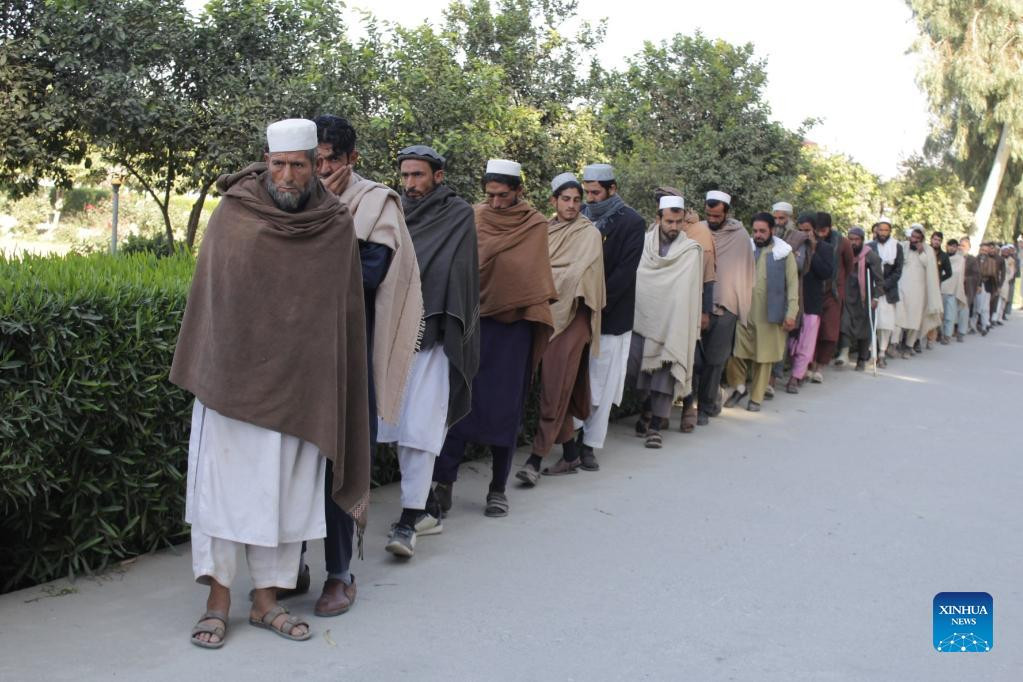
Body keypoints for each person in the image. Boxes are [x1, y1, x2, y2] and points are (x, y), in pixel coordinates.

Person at [173, 119, 370, 647]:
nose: (286, 175)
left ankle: (266, 603)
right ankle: (217, 601)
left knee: (287, 498)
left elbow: (339, 314)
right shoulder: (234, 214)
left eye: (298, 165)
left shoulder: (333, 223)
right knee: (222, 496)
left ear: (315, 165)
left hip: (300, 390)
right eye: (278, 164)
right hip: (231, 387)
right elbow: (215, 303)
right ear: (266, 159)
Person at [311, 114, 423, 615]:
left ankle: (340, 573)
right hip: (295, 360)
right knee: (291, 467)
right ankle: (287, 567)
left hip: (347, 359)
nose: (321, 168)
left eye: (330, 159)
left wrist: (309, 248)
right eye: (313, 160)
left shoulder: (375, 203)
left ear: (352, 158)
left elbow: (370, 274)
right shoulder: (288, 196)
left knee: (342, 465)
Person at [433, 159, 557, 518]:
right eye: (491, 195)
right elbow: (458, 265)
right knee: (458, 403)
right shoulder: (473, 216)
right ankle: (444, 486)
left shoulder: (534, 225)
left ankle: (497, 488)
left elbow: (531, 277)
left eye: (504, 195)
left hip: (513, 327)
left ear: (518, 191)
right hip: (473, 323)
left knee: (506, 408)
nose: (497, 203)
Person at [378, 145, 480, 558]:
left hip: (435, 335)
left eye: (418, 176)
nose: (410, 185)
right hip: (388, 335)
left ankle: (409, 520)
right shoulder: (392, 212)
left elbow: (457, 275)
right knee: (392, 427)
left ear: (438, 176)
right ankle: (425, 508)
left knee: (420, 430)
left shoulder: (457, 216)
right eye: (405, 176)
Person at [516, 172, 605, 481]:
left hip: (575, 317)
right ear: (553, 201)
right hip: (545, 314)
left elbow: (576, 274)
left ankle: (535, 460)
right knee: (558, 385)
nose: (572, 205)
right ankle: (570, 454)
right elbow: (530, 268)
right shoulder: (544, 230)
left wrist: (545, 280)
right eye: (565, 199)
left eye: (577, 200)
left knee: (554, 386)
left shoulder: (588, 233)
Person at [574, 163, 645, 467]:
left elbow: (624, 273)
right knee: (577, 379)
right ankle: (571, 441)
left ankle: (590, 444)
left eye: (595, 192)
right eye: (586, 191)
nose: (589, 198)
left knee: (600, 383)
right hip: (577, 312)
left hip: (611, 315)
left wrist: (596, 303)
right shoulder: (578, 217)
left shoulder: (632, 222)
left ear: (612, 189)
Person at [629, 195, 703, 446]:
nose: (674, 227)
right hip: (642, 317)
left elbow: (689, 291)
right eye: (669, 221)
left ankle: (656, 426)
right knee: (636, 366)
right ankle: (646, 410)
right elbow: (638, 278)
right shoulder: (642, 244)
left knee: (664, 370)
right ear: (658, 218)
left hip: (672, 321)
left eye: (679, 222)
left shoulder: (691, 251)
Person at [688, 190, 752, 425]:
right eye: (709, 215)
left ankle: (704, 407)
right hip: (696, 304)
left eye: (717, 216)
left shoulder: (740, 235)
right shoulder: (698, 231)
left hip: (726, 307)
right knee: (693, 360)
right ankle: (689, 404)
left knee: (715, 361)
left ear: (726, 212)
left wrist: (739, 306)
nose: (712, 219)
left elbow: (746, 273)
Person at [723, 212, 798, 410]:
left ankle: (756, 398)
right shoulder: (746, 249)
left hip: (770, 315)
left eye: (762, 231)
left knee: (763, 358)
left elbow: (792, 286)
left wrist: (791, 314)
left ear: (772, 231)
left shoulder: (784, 253)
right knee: (736, 353)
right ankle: (739, 387)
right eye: (755, 231)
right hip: (744, 312)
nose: (758, 235)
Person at [809, 212, 853, 382]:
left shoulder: (843, 243)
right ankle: (808, 364)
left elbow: (849, 267)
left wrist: (837, 284)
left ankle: (820, 366)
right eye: (817, 230)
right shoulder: (810, 240)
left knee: (829, 331)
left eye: (824, 230)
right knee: (811, 328)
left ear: (830, 228)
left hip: (833, 292)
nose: (820, 234)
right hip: (813, 290)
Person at [836, 226, 883, 370]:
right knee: (844, 323)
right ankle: (844, 353)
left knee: (865, 329)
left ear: (862, 241)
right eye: (850, 239)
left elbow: (879, 280)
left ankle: (862, 359)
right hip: (847, 294)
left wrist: (875, 297)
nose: (853, 243)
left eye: (856, 240)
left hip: (864, 298)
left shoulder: (870, 255)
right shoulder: (844, 252)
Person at [866, 218, 903, 366]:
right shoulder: (869, 246)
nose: (882, 232)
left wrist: (883, 286)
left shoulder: (897, 247)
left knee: (885, 325)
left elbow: (898, 271)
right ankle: (871, 353)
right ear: (876, 231)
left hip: (888, 291)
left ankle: (882, 352)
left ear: (890, 231)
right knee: (872, 322)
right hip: (872, 289)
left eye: (886, 230)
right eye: (880, 230)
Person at [894, 225, 929, 356]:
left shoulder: (927, 250)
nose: (914, 240)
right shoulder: (903, 246)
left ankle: (909, 346)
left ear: (922, 239)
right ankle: (894, 344)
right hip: (902, 286)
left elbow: (929, 266)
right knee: (899, 316)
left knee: (914, 318)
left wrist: (921, 252)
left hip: (918, 290)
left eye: (917, 238)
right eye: (913, 236)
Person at [941, 238, 969, 342]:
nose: (952, 248)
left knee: (950, 314)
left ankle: (947, 335)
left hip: (952, 290)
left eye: (954, 246)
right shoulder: (942, 257)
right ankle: (939, 334)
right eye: (950, 246)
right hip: (940, 289)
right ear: (946, 246)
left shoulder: (960, 260)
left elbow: (959, 275)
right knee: (939, 314)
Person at [974, 241, 998, 335]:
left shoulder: (992, 262)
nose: (983, 252)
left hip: (987, 285)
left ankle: (984, 326)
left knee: (984, 307)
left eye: (985, 251)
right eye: (982, 250)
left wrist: (995, 289)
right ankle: (973, 326)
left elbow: (993, 275)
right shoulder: (974, 260)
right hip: (975, 285)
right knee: (976, 306)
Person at [960, 235, 981, 333]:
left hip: (967, 289)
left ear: (968, 248)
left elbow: (976, 275)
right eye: (960, 245)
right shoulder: (953, 257)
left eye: (963, 246)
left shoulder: (972, 260)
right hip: (954, 288)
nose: (961, 247)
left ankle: (962, 331)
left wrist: (966, 279)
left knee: (964, 310)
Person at [995, 245, 1017, 321]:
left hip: (1006, 282)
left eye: (1007, 252)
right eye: (1004, 251)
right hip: (998, 281)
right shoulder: (998, 259)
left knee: (1003, 300)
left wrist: (1006, 278)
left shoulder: (1011, 260)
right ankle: (994, 318)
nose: (1006, 253)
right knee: (997, 300)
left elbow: (1012, 272)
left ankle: (1000, 317)